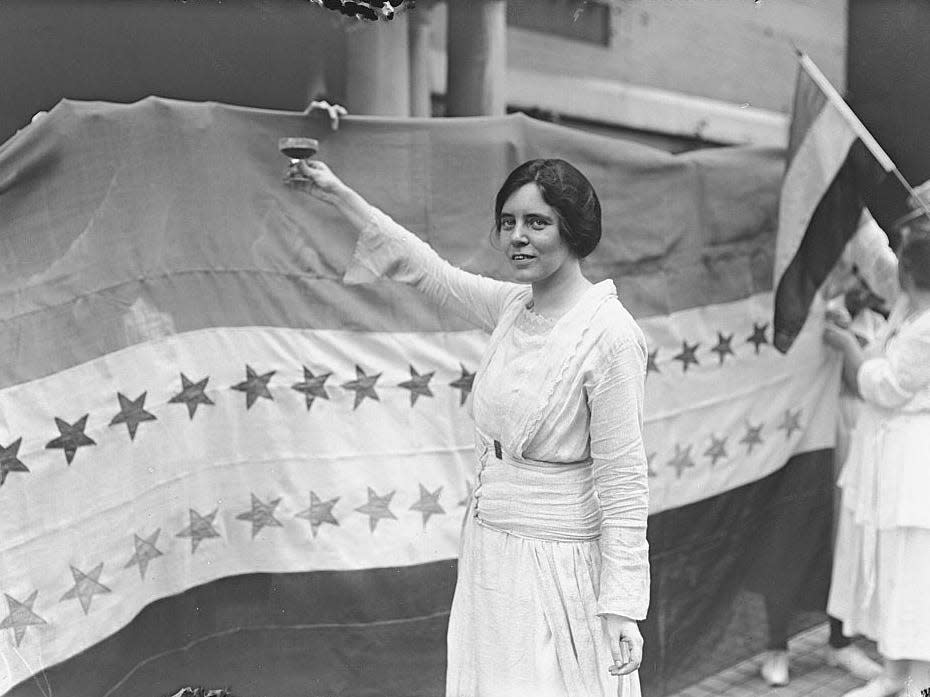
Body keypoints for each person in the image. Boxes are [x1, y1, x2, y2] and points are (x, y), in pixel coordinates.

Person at [286, 157, 650, 696]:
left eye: (537, 223)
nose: (518, 238)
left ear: (573, 229)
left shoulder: (611, 336)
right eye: (508, 222)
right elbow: (430, 271)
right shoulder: (512, 308)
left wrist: (621, 608)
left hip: (561, 566)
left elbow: (623, 484)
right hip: (490, 555)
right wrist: (337, 192)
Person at [823, 227, 930, 697]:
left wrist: (849, 345)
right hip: (889, 452)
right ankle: (895, 670)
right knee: (891, 558)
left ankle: (921, 680)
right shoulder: (911, 304)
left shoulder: (928, 325)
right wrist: (858, 209)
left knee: (913, 562)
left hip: (913, 456)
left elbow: (887, 385)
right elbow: (879, 264)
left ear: (912, 270)